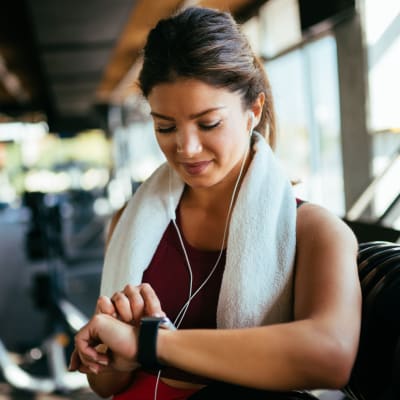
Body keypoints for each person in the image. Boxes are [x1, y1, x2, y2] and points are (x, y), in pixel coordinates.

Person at [69, 6, 361, 400]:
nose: (186, 148)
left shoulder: (315, 231)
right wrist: (109, 355)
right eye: (165, 126)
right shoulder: (128, 221)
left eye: (209, 124)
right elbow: (104, 385)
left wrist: (150, 345)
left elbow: (330, 357)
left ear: (252, 112)